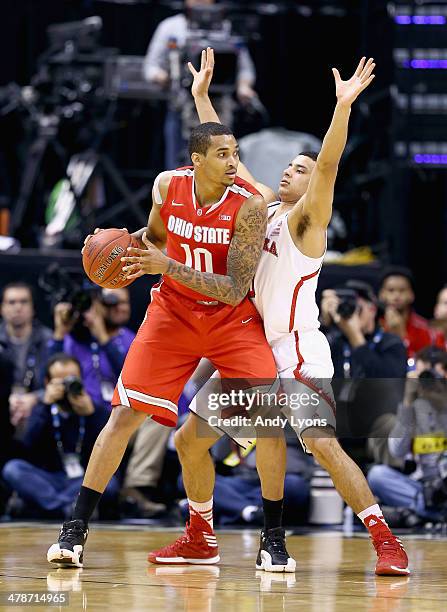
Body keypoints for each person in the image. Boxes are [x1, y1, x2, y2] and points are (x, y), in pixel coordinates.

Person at [155, 48, 410, 575]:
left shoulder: (305, 224)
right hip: (249, 349)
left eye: (301, 167)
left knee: (320, 445)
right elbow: (225, 159)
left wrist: (341, 110)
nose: (292, 169)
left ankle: (386, 540)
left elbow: (330, 164)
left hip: (295, 351)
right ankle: (200, 535)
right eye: (290, 165)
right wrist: (202, 96)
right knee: (187, 440)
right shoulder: (261, 208)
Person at [47, 121, 278, 568]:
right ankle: (74, 532)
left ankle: (273, 538)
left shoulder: (249, 206)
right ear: (197, 161)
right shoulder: (167, 186)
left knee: (267, 418)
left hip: (231, 317)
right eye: (223, 155)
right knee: (122, 417)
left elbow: (233, 288)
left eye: (236, 153)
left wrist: (166, 264)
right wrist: (120, 252)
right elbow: (154, 236)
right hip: (172, 315)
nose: (234, 163)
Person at [143, 0, 257, 168]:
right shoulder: (171, 27)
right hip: (182, 106)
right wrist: (169, 78)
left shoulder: (228, 29)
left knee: (221, 161)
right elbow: (151, 67)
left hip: (220, 106)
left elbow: (245, 68)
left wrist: (244, 86)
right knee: (179, 166)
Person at [2, 354, 118, 518]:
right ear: (47, 383)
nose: (66, 387)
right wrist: (44, 406)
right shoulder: (42, 409)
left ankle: (50, 507)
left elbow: (110, 451)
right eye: (60, 382)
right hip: (47, 480)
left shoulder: (95, 410)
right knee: (13, 469)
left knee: (109, 481)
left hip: (82, 480)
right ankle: (67, 509)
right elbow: (26, 448)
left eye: (72, 380)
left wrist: (92, 415)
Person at [321, 280, 407, 462]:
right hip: (338, 424)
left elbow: (387, 383)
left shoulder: (390, 343)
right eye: (345, 308)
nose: (351, 314)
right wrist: (323, 324)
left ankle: (388, 481)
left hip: (373, 425)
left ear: (373, 309)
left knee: (390, 424)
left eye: (357, 309)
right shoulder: (331, 342)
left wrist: (356, 338)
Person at [368, 347, 447, 524]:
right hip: (424, 489)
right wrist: (407, 402)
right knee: (377, 475)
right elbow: (397, 451)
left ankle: (418, 512)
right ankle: (431, 511)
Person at [47, 288, 135, 412]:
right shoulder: (76, 340)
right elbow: (49, 376)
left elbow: (130, 380)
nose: (119, 308)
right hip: (81, 414)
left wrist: (103, 337)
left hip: (118, 417)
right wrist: (60, 332)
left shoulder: (130, 339)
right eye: (111, 302)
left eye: (124, 302)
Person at [0, 282, 52, 429]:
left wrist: (35, 398)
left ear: (32, 308)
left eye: (24, 302)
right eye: (11, 302)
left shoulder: (48, 340)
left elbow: (58, 383)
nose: (18, 307)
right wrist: (5, 400)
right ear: (2, 308)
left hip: (38, 410)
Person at [379, 266, 444, 361]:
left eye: (402, 290)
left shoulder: (426, 330)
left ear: (411, 295)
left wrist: (401, 336)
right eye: (391, 290)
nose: (396, 296)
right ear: (381, 294)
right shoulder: (373, 327)